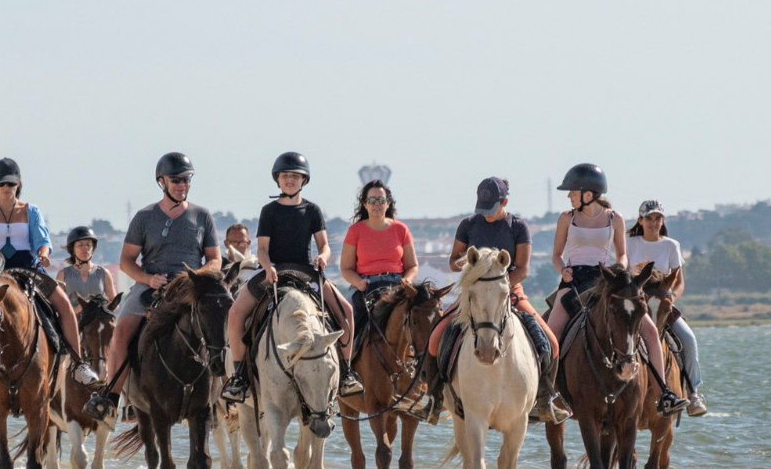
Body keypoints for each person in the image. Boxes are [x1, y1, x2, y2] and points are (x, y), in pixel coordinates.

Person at [420, 177, 571, 424]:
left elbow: (522, 268)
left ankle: (544, 400)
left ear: (505, 202)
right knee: (436, 337)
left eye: (491, 209)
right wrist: (474, 269)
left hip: (510, 291)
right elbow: (452, 261)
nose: (486, 215)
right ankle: (434, 399)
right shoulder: (468, 225)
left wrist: (500, 286)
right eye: (482, 208)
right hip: (474, 293)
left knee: (551, 343)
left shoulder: (518, 226)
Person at [0, 158, 99, 393]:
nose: (6, 188)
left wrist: (44, 254)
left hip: (28, 270)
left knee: (65, 305)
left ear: (19, 184)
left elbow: (42, 240)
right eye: (1, 184)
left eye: (11, 184)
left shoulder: (31, 211)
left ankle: (79, 365)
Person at [83, 152, 220, 420]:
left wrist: (194, 277)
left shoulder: (203, 216)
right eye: (176, 180)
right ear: (162, 181)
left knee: (220, 325)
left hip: (190, 287)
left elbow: (215, 260)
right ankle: (111, 398)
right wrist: (148, 279)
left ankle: (227, 395)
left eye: (186, 180)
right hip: (152, 286)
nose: (182, 185)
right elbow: (126, 261)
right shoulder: (144, 217)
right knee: (121, 331)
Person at [546, 164, 687, 416]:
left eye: (572, 191)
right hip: (574, 281)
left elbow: (621, 254)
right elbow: (556, 255)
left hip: (606, 280)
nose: (569, 196)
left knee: (652, 333)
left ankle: (663, 394)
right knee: (550, 336)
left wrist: (620, 271)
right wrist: (562, 270)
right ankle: (544, 396)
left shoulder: (615, 218)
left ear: (588, 193)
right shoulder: (566, 218)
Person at [221, 152, 364, 402]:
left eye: (295, 176)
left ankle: (347, 372)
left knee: (348, 311)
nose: (290, 180)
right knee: (235, 314)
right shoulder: (268, 211)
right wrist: (267, 267)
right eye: (286, 176)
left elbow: (324, 246)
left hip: (305, 270)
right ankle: (240, 376)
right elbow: (263, 249)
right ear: (278, 180)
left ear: (303, 181)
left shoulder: (312, 210)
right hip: (273, 270)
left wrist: (323, 256)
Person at [627, 199, 706, 417]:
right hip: (636, 308)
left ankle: (692, 394)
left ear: (663, 220)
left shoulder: (671, 245)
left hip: (662, 305)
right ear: (640, 221)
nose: (654, 223)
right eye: (649, 218)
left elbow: (678, 282)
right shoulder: (629, 244)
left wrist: (670, 299)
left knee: (688, 340)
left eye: (657, 218)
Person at [339, 179, 418, 332]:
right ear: (365, 204)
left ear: (388, 203)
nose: (377, 204)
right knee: (344, 320)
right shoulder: (355, 231)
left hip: (397, 284)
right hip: (365, 285)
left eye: (381, 200)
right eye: (372, 200)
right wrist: (358, 282)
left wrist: (406, 282)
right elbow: (346, 268)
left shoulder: (401, 229)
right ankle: (345, 355)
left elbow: (412, 266)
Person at [56, 225, 117, 311]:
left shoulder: (104, 273)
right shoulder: (62, 274)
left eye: (88, 245)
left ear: (93, 248)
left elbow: (115, 303)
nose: (85, 248)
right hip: (73, 321)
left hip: (97, 321)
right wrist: (75, 310)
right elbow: (56, 304)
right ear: (73, 249)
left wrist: (100, 308)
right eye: (80, 245)